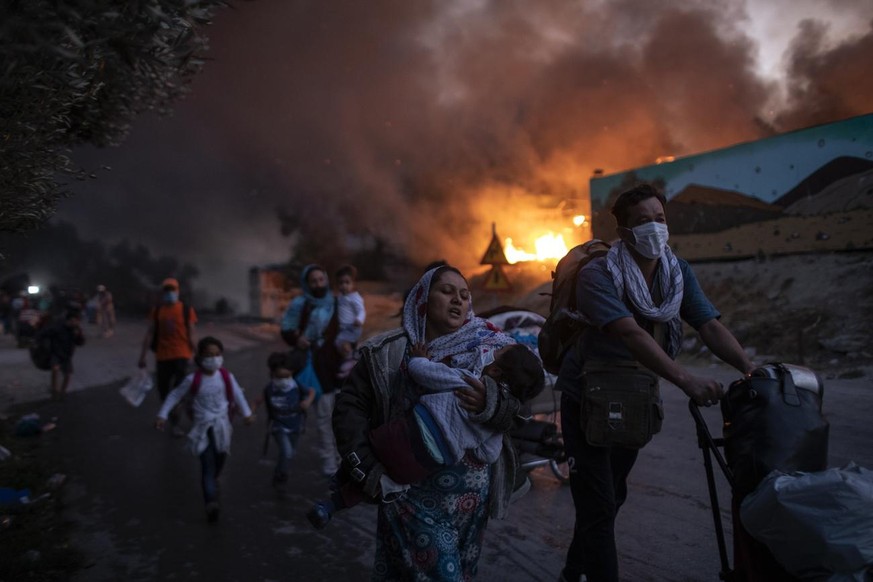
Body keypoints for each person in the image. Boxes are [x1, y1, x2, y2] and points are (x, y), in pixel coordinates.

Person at [556, 183, 756, 582]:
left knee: (611, 497)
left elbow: (708, 324)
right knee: (598, 505)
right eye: (643, 221)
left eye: (659, 219)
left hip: (634, 400)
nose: (654, 228)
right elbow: (630, 334)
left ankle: (571, 573)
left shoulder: (676, 272)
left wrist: (749, 370)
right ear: (625, 232)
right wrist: (686, 380)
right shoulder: (598, 274)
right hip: (587, 400)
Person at [333, 265, 525, 579]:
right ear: (422, 297)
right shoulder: (388, 352)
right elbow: (349, 409)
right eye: (447, 291)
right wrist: (369, 471)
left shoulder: (491, 347)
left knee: (460, 573)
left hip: (471, 503)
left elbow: (522, 401)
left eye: (464, 295)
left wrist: (493, 403)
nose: (458, 301)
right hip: (410, 497)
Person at [308, 340, 544, 529]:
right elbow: (488, 455)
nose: (493, 349)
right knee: (383, 483)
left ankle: (337, 484)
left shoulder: (466, 381)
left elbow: (420, 371)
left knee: (371, 448)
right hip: (424, 464)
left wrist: (421, 357)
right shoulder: (496, 424)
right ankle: (330, 506)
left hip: (402, 434)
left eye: (498, 350)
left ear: (493, 369)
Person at [154, 336, 254, 522]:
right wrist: (162, 414)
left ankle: (213, 481)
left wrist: (247, 413)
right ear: (200, 357)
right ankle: (210, 502)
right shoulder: (193, 380)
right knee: (207, 464)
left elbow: (238, 395)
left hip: (223, 426)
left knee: (221, 456)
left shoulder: (226, 376)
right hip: (203, 429)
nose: (213, 358)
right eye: (208, 355)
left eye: (217, 354)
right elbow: (175, 395)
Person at [279, 264, 343, 476]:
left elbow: (346, 331)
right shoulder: (301, 304)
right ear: (307, 284)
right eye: (313, 281)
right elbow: (287, 329)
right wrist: (298, 338)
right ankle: (330, 464)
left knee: (340, 418)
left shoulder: (337, 302)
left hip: (337, 367)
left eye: (321, 279)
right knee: (324, 418)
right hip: (314, 367)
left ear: (326, 280)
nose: (318, 284)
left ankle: (342, 461)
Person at [138, 278, 197, 436]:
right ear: (163, 292)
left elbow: (191, 335)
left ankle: (176, 424)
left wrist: (198, 355)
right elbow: (150, 334)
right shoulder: (157, 311)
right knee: (163, 391)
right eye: (167, 290)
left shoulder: (186, 309)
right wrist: (142, 356)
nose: (170, 293)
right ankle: (177, 413)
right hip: (162, 356)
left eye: (172, 290)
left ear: (177, 291)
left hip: (181, 355)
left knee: (177, 390)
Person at [256, 351, 316, 487]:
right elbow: (258, 401)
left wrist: (307, 402)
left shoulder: (295, 385)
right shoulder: (269, 389)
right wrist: (251, 413)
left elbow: (311, 392)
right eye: (279, 376)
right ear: (272, 373)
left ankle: (280, 472)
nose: (283, 380)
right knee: (287, 452)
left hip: (295, 425)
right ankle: (282, 475)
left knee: (290, 452)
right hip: (278, 426)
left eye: (287, 376)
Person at [38, 308, 85, 399]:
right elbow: (43, 334)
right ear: (68, 320)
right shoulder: (58, 328)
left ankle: (62, 392)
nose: (73, 323)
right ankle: (54, 390)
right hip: (56, 352)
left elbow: (81, 343)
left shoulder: (76, 329)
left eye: (76, 321)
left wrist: (79, 334)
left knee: (67, 375)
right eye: (72, 320)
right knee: (55, 369)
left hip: (67, 355)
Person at [334, 264, 366, 359]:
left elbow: (361, 310)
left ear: (353, 284)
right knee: (341, 343)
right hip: (344, 327)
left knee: (339, 342)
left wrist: (359, 319)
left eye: (347, 283)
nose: (344, 285)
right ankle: (353, 353)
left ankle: (350, 359)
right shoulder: (340, 297)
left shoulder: (354, 297)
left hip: (353, 326)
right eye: (341, 283)